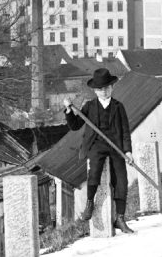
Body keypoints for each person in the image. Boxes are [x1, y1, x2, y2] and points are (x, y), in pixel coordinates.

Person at [63, 68, 136, 234]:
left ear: (112, 87)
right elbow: (75, 125)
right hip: (96, 145)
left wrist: (128, 152)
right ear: (95, 91)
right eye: (100, 89)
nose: (104, 91)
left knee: (122, 180)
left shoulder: (119, 107)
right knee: (94, 171)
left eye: (107, 87)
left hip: (115, 146)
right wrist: (69, 111)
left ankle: (120, 218)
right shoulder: (89, 106)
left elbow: (125, 131)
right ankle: (89, 203)